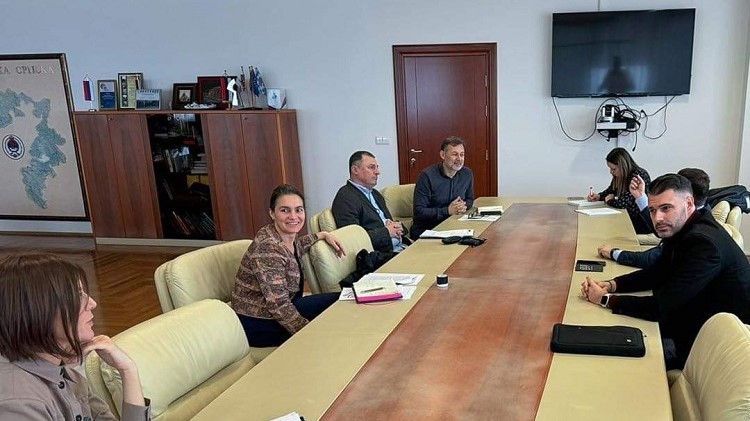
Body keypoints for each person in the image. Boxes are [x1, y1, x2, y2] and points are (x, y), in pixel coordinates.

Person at [581, 174, 750, 369]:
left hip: (716, 349)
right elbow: (657, 272)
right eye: (652, 210)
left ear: (689, 203)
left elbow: (660, 307)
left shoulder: (704, 243)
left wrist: (605, 299)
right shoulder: (685, 227)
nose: (657, 218)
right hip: (696, 320)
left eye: (666, 208)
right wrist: (613, 284)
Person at [0, 253, 150, 420]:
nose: (92, 303)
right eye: (77, 295)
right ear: (37, 309)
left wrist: (128, 370)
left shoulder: (66, 374)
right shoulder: (19, 404)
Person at [233, 184, 345, 347]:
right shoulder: (267, 247)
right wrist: (309, 333)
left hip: (283, 308)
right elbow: (278, 305)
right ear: (272, 213)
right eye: (285, 210)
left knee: (342, 300)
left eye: (299, 210)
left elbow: (296, 246)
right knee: (331, 323)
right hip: (260, 321)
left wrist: (322, 235)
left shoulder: (283, 236)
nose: (293, 216)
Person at [597, 168, 711, 268]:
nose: (658, 218)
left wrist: (613, 253)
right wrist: (640, 196)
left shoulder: (698, 234)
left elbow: (652, 259)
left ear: (688, 198)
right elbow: (659, 228)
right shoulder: (700, 212)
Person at [331, 151, 408, 253]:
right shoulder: (345, 197)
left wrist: (398, 226)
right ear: (355, 170)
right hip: (382, 256)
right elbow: (353, 240)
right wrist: (387, 232)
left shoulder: (375, 194)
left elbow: (389, 223)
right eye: (371, 167)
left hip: (401, 247)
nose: (377, 172)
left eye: (377, 167)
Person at [411, 136, 475, 239]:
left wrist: (463, 206)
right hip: (429, 230)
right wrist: (447, 211)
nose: (459, 159)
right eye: (454, 154)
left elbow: (470, 199)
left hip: (455, 226)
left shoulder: (467, 174)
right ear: (443, 155)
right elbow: (419, 211)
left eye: (462, 154)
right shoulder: (427, 176)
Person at [587, 147, 651, 234]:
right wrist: (599, 196)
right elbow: (611, 190)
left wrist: (610, 200)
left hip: (640, 222)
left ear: (622, 166)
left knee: (603, 229)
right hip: (626, 218)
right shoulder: (619, 176)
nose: (611, 172)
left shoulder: (638, 175)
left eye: (613, 169)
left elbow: (623, 203)